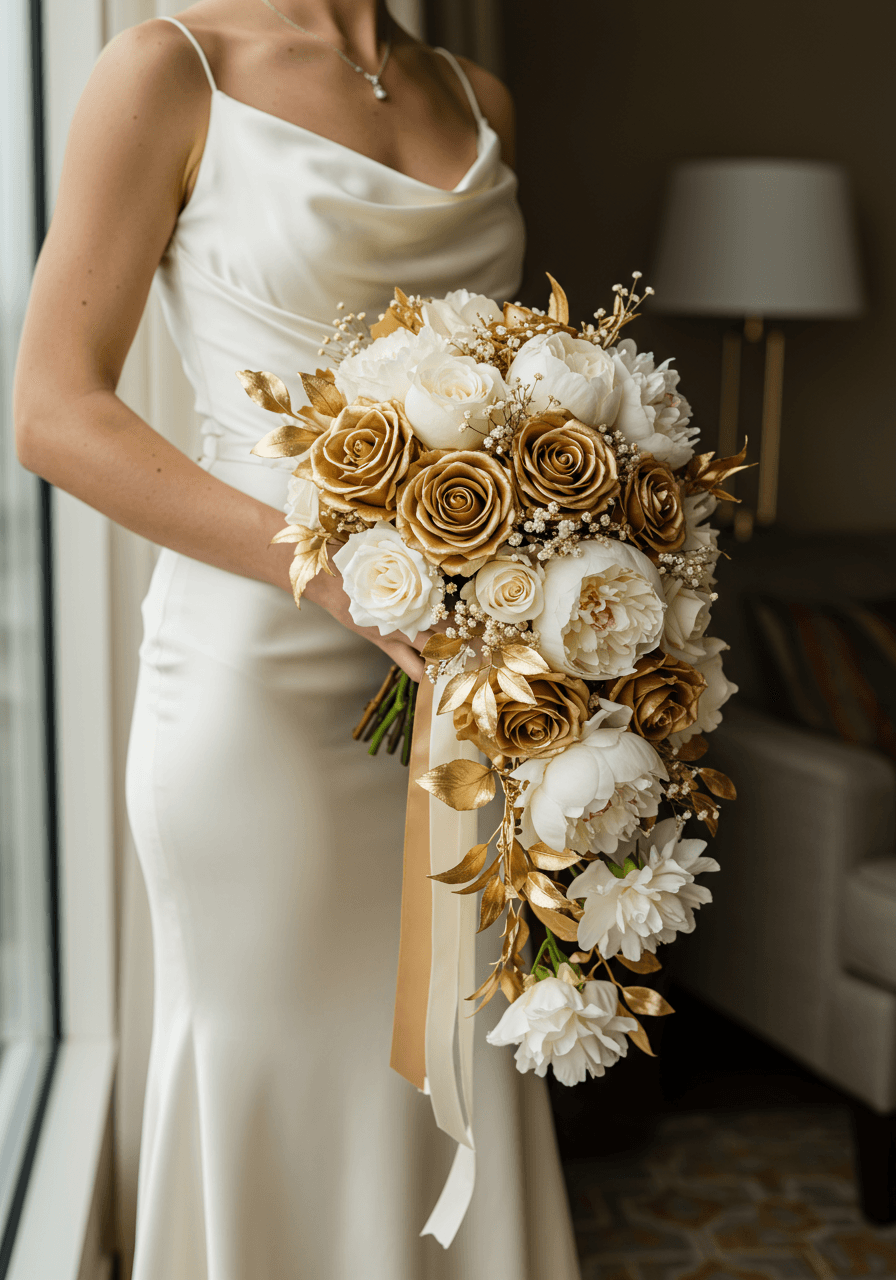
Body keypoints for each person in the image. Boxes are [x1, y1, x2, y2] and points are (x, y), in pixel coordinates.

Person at [15, 3, 582, 1276]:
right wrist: (335, 576)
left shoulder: (476, 95)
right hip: (257, 693)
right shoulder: (169, 70)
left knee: (455, 1073)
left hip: (455, 689)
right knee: (276, 1081)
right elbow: (52, 410)